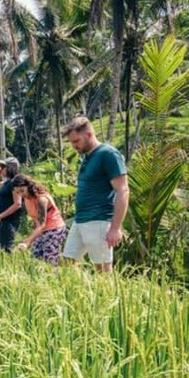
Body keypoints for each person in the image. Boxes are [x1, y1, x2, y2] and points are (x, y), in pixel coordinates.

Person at [61, 116, 129, 272]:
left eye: (76, 141)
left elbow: (123, 190)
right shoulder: (86, 157)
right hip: (80, 220)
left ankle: (106, 296)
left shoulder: (108, 154)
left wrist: (115, 228)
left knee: (103, 270)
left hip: (99, 220)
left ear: (89, 134)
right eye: (71, 142)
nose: (74, 146)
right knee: (67, 264)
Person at [0, 157, 23, 252]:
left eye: (4, 167)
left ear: (11, 168)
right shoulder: (6, 182)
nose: (2, 168)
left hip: (8, 221)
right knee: (0, 248)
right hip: (1, 220)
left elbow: (18, 204)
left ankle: (11, 266)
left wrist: (0, 216)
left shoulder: (15, 182)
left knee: (6, 249)